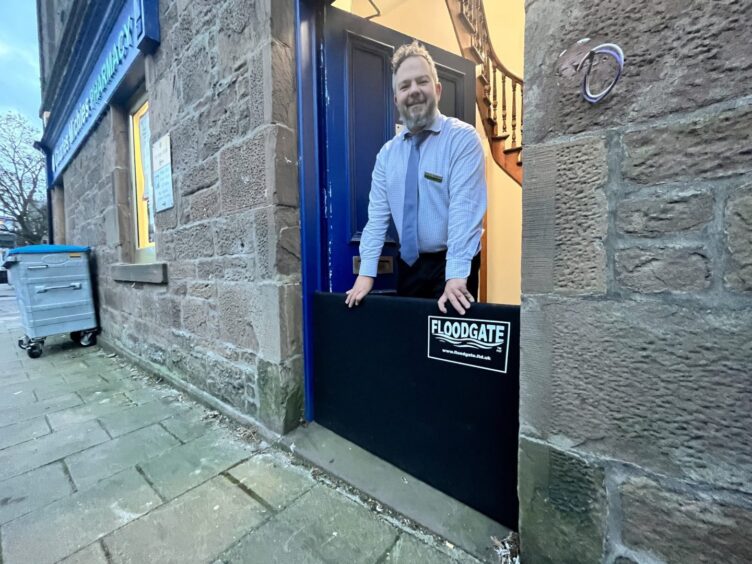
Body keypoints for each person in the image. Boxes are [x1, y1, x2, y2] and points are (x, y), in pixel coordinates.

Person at [344, 41, 487, 315]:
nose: (414, 91)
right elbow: (376, 221)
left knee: (450, 351)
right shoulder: (386, 155)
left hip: (453, 264)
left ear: (437, 89)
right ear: (396, 98)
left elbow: (465, 210)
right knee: (412, 345)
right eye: (405, 85)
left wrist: (457, 274)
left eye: (422, 81)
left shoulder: (463, 139)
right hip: (409, 266)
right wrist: (366, 273)